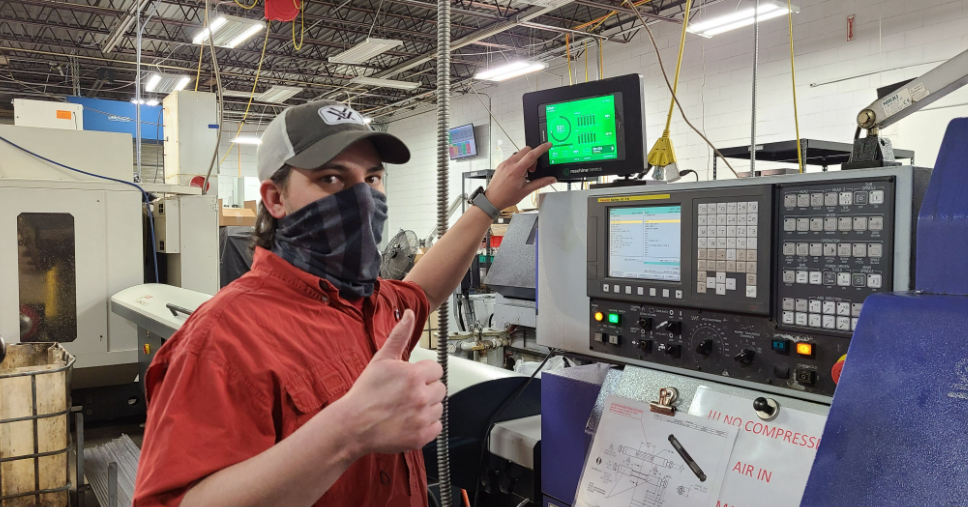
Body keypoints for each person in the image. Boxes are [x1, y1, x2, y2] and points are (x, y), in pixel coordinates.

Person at [133, 100, 556, 507]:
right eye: (331, 179)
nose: (362, 198)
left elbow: (423, 291)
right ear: (275, 199)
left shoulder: (371, 303)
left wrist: (488, 204)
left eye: (371, 178)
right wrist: (344, 435)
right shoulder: (223, 338)